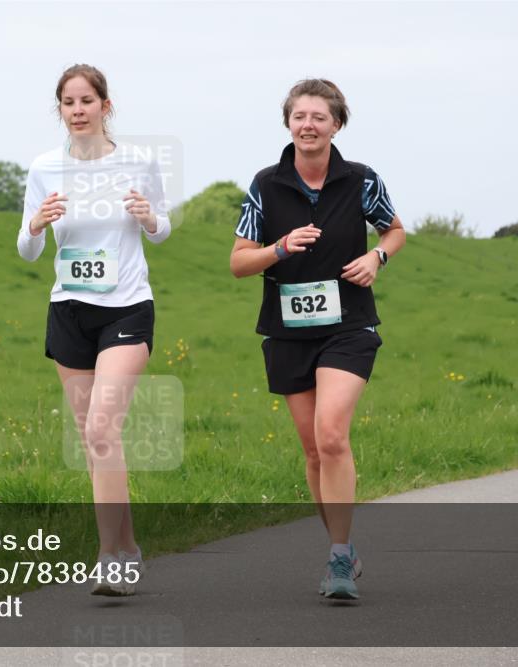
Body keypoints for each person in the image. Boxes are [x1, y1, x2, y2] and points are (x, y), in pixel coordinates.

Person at [229, 79, 406, 600]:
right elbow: (239, 263)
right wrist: (280, 248)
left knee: (332, 435)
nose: (308, 125)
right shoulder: (266, 185)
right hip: (287, 332)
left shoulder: (361, 180)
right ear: (288, 123)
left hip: (349, 326)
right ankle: (342, 549)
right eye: (299, 116)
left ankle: (337, 559)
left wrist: (378, 257)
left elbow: (394, 230)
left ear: (336, 125)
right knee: (311, 451)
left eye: (319, 117)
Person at [17, 64, 172, 596]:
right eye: (68, 102)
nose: (78, 110)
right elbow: (27, 247)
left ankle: (108, 557)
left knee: (103, 430)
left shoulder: (138, 160)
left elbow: (162, 229)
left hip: (127, 307)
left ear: (107, 106)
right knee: (94, 440)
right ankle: (128, 551)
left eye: (87, 101)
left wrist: (149, 217)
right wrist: (36, 226)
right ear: (59, 110)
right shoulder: (44, 168)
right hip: (69, 311)